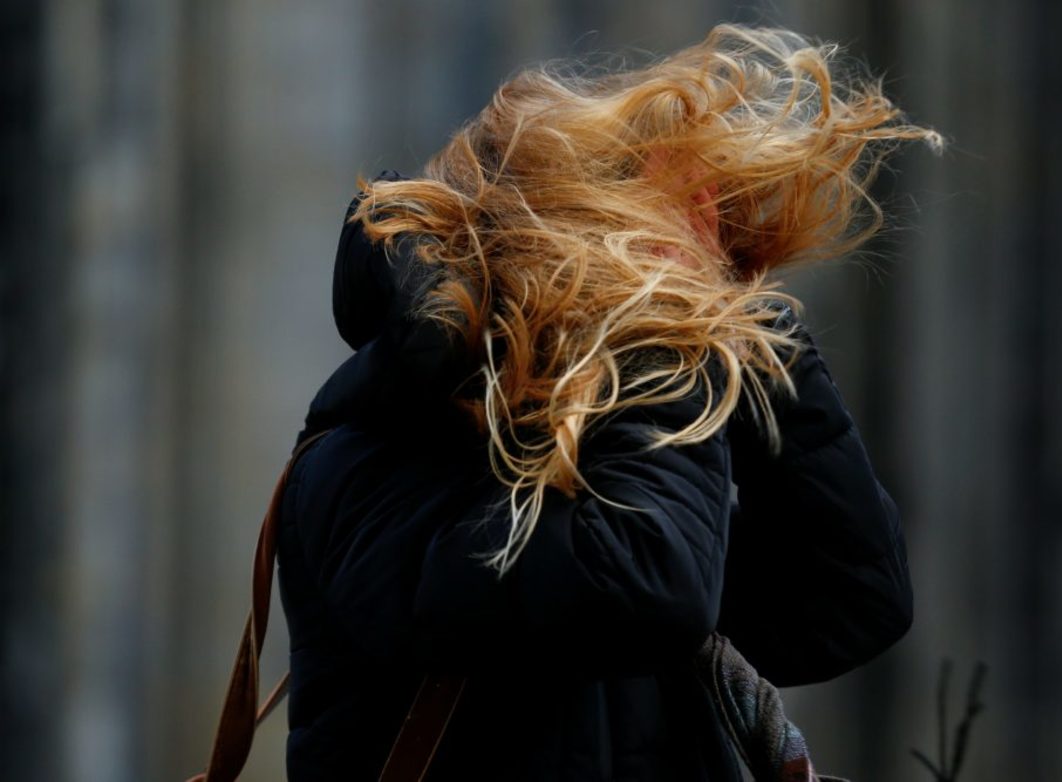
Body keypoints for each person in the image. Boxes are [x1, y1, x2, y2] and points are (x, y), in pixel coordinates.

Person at [276, 23, 940, 782]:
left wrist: (767, 348)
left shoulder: (610, 440)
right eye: (664, 240)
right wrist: (662, 335)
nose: (707, 279)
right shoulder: (373, 460)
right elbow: (647, 584)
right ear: (571, 249)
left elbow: (851, 605)